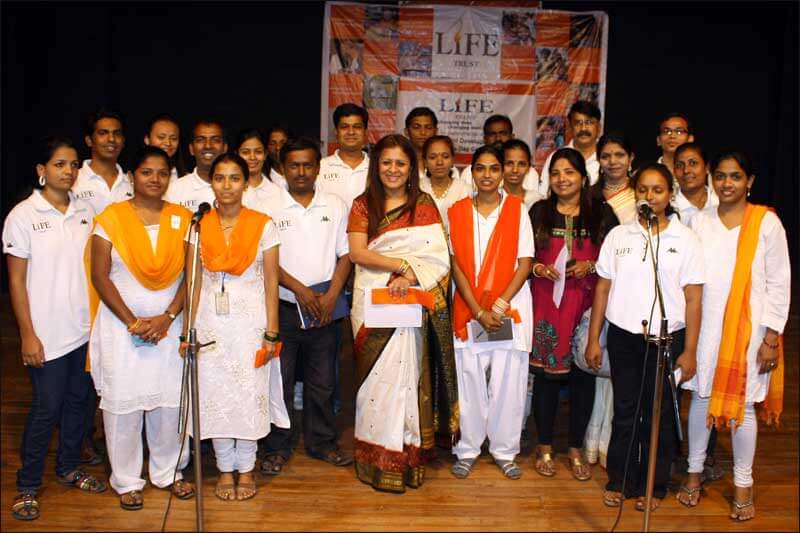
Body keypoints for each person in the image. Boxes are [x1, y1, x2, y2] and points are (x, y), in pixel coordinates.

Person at [679, 151, 790, 521]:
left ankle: (744, 483)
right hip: (706, 327)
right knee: (700, 398)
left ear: (750, 182)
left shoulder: (766, 224)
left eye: (736, 177)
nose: (727, 184)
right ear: (712, 179)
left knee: (743, 407)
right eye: (721, 176)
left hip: (751, 331)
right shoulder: (699, 222)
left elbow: (779, 283)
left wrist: (771, 336)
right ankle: (694, 473)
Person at [586, 163, 704, 512]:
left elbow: (694, 298)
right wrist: (595, 338)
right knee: (625, 410)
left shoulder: (685, 239)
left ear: (670, 195)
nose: (649, 197)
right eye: (643, 190)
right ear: (634, 193)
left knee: (660, 413)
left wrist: (691, 350)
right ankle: (620, 480)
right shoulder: (619, 236)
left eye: (658, 190)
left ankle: (654, 485)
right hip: (624, 336)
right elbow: (602, 289)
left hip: (668, 340)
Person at [347, 134, 458, 493]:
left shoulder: (424, 205)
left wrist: (409, 275)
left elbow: (439, 257)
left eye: (401, 163)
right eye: (386, 163)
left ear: (412, 168)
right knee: (374, 384)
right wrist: (402, 264)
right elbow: (358, 254)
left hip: (408, 302)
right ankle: (374, 458)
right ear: (376, 166)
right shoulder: (363, 205)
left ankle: (406, 457)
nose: (393, 170)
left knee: (406, 381)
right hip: (371, 303)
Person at [5, 137, 107, 521]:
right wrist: (27, 334)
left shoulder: (85, 210)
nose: (68, 171)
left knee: (79, 402)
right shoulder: (23, 215)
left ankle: (68, 467)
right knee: (46, 408)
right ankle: (27, 484)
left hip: (83, 329)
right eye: (59, 164)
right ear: (41, 170)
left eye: (72, 165)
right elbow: (16, 282)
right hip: (45, 334)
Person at [88, 145, 195, 510]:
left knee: (169, 403)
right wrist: (132, 321)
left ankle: (169, 472)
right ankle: (126, 479)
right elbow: (100, 277)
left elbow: (191, 275)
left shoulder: (183, 218)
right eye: (147, 172)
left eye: (162, 172)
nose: (155, 179)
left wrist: (167, 317)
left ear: (170, 178)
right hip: (122, 328)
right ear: (132, 176)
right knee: (123, 407)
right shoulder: (111, 219)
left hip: (169, 324)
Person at [185, 152, 288, 501]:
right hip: (210, 325)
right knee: (215, 397)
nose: (226, 185)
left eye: (234, 178)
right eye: (219, 178)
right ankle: (224, 470)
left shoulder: (263, 224)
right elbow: (193, 283)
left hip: (250, 325)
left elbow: (272, 282)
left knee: (248, 397)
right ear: (210, 182)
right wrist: (188, 330)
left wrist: (272, 331)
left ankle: (247, 470)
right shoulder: (198, 225)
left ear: (245, 183)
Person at [261, 138, 353, 475]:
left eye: (308, 165)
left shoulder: (335, 204)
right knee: (279, 382)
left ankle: (322, 442)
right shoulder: (269, 206)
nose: (301, 172)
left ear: (318, 168)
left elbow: (346, 255)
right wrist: (299, 290)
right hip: (283, 308)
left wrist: (332, 295)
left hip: (325, 310)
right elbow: (265, 259)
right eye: (294, 165)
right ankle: (277, 447)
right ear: (283, 168)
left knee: (324, 381)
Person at [529, 148, 618, 482]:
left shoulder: (602, 214)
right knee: (546, 381)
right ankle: (545, 446)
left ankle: (576, 448)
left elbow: (614, 260)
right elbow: (522, 256)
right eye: (556, 173)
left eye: (569, 172)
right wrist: (538, 267)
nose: (562, 179)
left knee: (583, 379)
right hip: (546, 305)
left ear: (583, 177)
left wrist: (590, 265)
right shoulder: (538, 211)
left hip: (586, 305)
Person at [448, 145, 534, 480]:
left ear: (502, 173)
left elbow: (525, 262)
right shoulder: (456, 212)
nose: (487, 175)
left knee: (508, 381)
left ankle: (504, 450)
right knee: (469, 378)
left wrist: (497, 306)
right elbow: (455, 265)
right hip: (470, 310)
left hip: (508, 309)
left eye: (493, 168)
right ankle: (467, 448)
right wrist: (477, 309)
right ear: (471, 173)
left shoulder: (517, 209)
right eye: (480, 168)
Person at [583, 132, 636, 468]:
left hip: (627, 290)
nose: (613, 161)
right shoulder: (589, 197)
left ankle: (611, 443)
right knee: (594, 363)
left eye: (619, 155)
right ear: (598, 160)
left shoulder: (640, 197)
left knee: (618, 371)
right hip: (588, 287)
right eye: (606, 156)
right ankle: (592, 437)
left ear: (631, 158)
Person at [460, 116, 541, 194]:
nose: (498, 138)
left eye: (503, 133)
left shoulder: (529, 173)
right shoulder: (469, 172)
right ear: (485, 139)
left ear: (512, 137)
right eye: (492, 134)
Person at [72, 110, 131, 214]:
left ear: (123, 141)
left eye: (117, 133)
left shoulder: (133, 183)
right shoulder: (73, 180)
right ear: (89, 140)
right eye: (103, 133)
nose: (111, 139)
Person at [539, 101, 602, 197]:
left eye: (589, 122)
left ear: (599, 126)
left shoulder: (607, 157)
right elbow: (543, 195)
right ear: (570, 127)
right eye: (578, 123)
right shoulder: (556, 157)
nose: (583, 128)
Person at [164, 118, 228, 211]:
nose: (208, 146)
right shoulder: (173, 190)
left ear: (225, 148)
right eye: (200, 140)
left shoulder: (240, 190)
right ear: (191, 149)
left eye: (215, 140)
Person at [317, 103, 370, 208]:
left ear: (365, 132)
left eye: (357, 127)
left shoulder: (377, 168)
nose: (351, 132)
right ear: (336, 132)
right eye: (344, 127)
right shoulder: (320, 167)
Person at [419, 135, 470, 225]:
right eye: (433, 157)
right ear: (425, 162)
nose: (439, 162)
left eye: (445, 156)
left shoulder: (465, 190)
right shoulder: (417, 189)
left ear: (452, 160)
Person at [235, 128, 283, 213]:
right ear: (236, 154)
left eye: (258, 152)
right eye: (245, 152)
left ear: (265, 155)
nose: (252, 157)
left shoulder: (277, 193)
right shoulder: (228, 190)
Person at [672, 142, 718, 224]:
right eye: (680, 165)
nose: (686, 170)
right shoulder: (669, 210)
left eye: (693, 163)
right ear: (674, 171)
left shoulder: (720, 203)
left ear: (707, 167)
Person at [502, 139, 543, 210]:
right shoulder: (490, 200)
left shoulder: (537, 200)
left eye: (521, 164)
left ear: (528, 167)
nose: (515, 170)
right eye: (509, 163)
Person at [143, 113, 186, 180]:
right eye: (161, 137)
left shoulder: (185, 178)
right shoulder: (132, 177)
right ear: (147, 140)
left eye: (173, 138)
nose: (168, 143)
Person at [656, 112, 694, 178]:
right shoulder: (645, 173)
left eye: (679, 131)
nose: (672, 136)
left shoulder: (700, 173)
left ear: (690, 139)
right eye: (667, 131)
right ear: (658, 140)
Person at [403, 107, 438, 172]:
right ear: (406, 131)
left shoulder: (444, 166)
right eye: (416, 127)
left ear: (436, 131)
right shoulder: (399, 161)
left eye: (428, 127)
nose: (423, 132)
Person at [265, 125, 290, 189]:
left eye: (283, 143)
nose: (278, 148)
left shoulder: (300, 173)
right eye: (272, 144)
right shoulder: (265, 178)